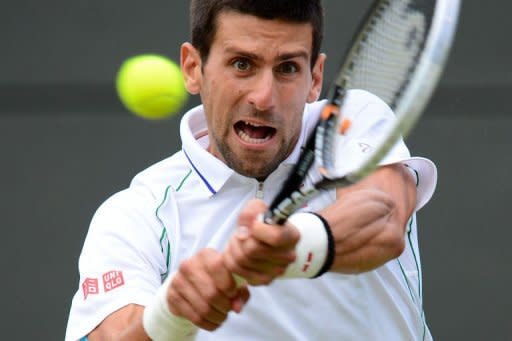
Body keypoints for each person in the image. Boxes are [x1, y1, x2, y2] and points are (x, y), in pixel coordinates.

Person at [65, 0, 437, 340]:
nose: (264, 97)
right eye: (242, 64)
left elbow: (384, 220)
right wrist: (171, 314)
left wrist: (291, 248)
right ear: (193, 68)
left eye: (288, 68)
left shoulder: (350, 121)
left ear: (316, 77)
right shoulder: (138, 213)